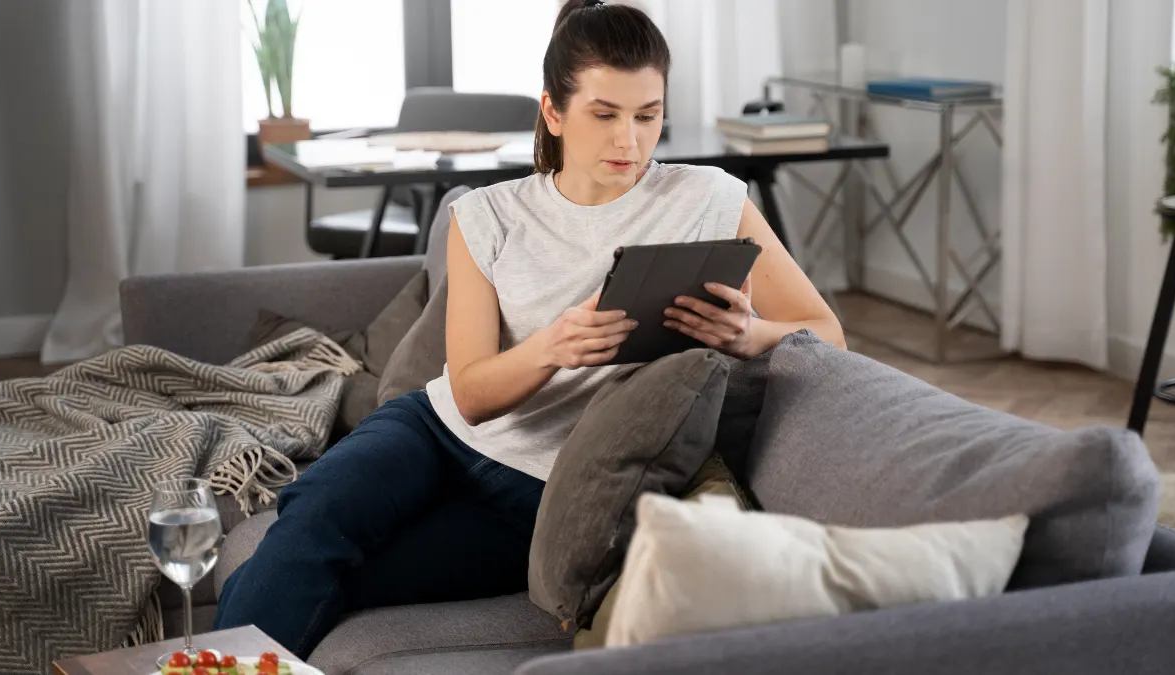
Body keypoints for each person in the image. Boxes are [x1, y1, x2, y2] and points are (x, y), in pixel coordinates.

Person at [213, 0, 844, 658]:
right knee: (312, 517)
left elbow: (826, 331)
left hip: (536, 490)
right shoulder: (486, 216)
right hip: (435, 430)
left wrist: (750, 338)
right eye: (604, 115)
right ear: (553, 111)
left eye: (647, 115)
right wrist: (553, 348)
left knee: (356, 575)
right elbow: (473, 393)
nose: (628, 141)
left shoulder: (711, 199)